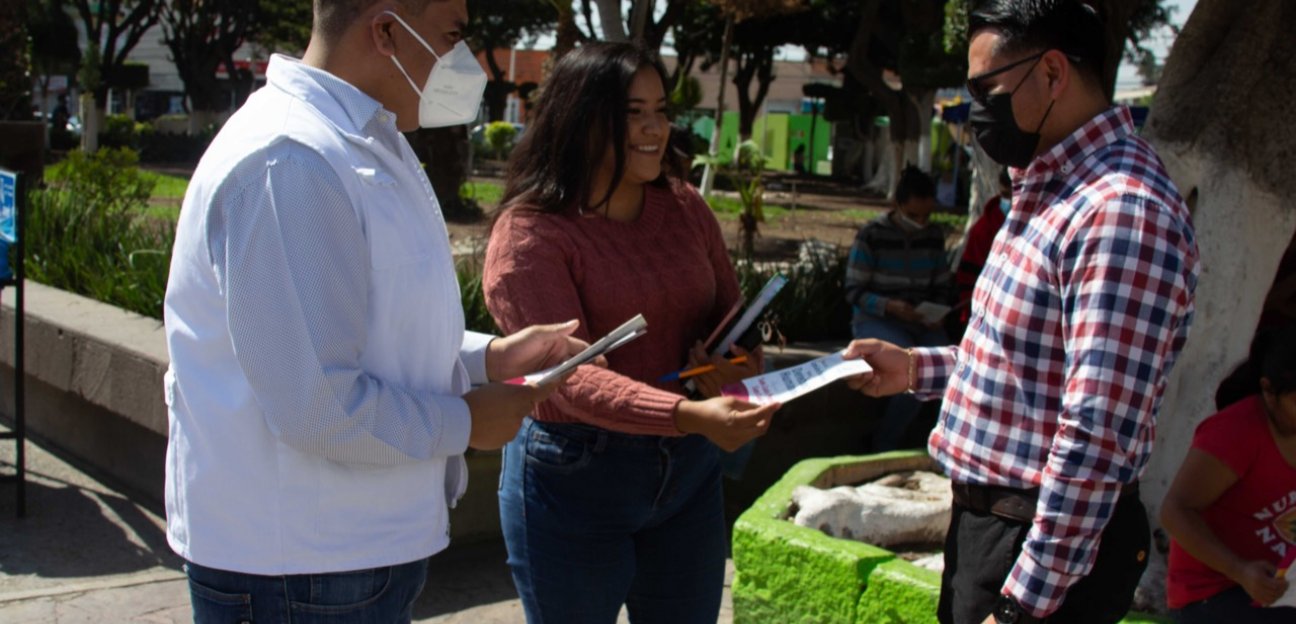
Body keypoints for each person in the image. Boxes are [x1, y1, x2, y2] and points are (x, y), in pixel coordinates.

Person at [162, 1, 593, 621]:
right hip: (299, 571)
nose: (461, 61)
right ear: (387, 30)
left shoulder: (360, 139)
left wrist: (490, 358)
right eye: (451, 37)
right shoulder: (292, 160)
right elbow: (317, 407)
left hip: (345, 555)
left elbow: (364, 328)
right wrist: (467, 423)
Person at [844, 1, 1200, 623]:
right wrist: (912, 368)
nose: (978, 107)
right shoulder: (1053, 188)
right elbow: (1023, 363)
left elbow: (1095, 436)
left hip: (1038, 554)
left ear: (1053, 74)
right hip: (997, 532)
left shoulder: (1119, 211)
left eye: (988, 88)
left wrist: (1021, 605)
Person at [482, 42, 781, 624]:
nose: (655, 129)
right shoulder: (528, 237)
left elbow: (732, 315)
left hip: (688, 473)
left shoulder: (685, 206)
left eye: (661, 110)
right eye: (632, 112)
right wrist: (690, 414)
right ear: (580, 116)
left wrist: (738, 367)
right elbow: (566, 381)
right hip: (572, 480)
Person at [1161, 327, 1296, 623]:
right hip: (1211, 595)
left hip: (1280, 590)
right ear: (1269, 393)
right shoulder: (1236, 431)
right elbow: (1174, 511)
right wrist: (1240, 570)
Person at [845, 165, 952, 451]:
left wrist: (937, 312)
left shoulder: (933, 236)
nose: (921, 222)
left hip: (922, 321)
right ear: (898, 205)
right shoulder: (871, 235)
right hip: (878, 320)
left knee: (949, 370)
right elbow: (854, 291)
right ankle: (884, 444)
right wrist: (889, 306)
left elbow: (942, 284)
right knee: (908, 369)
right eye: (914, 216)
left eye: (926, 216)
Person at [953, 168, 1013, 331]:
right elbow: (967, 277)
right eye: (1005, 195)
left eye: (1013, 195)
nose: (1010, 201)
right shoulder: (983, 229)